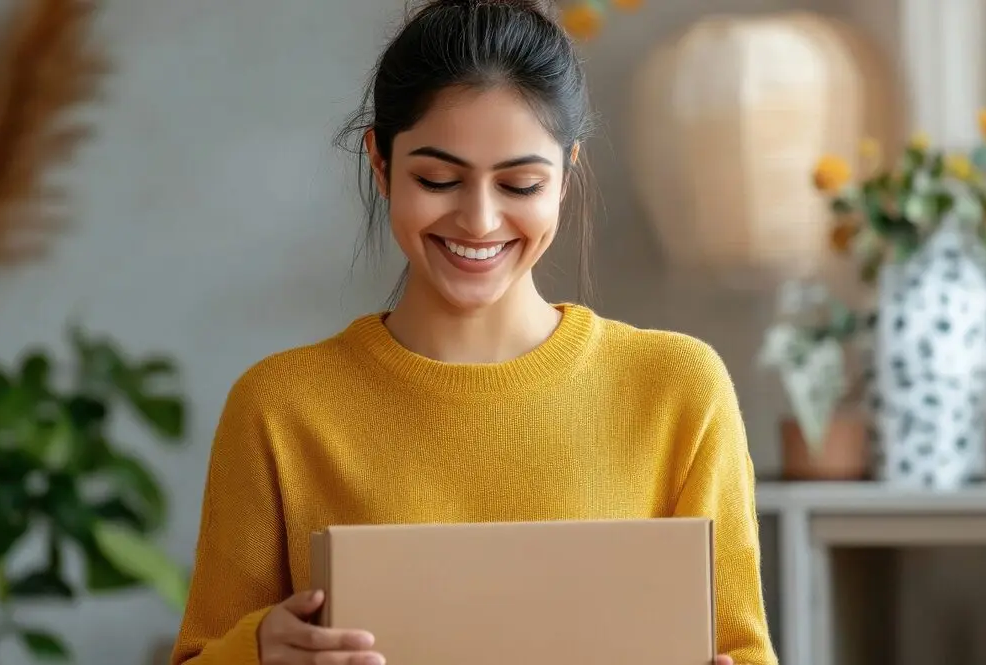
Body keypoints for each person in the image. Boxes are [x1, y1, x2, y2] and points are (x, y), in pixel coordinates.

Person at [170, 1, 778, 664]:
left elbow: (741, 647)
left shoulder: (676, 390)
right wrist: (259, 650)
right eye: (438, 179)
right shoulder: (280, 407)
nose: (480, 220)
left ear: (566, 175)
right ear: (380, 163)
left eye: (520, 184)